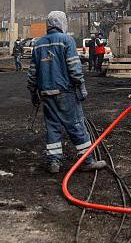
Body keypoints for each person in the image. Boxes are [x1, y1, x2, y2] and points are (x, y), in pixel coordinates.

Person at [27, 11, 107, 174]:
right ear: (62, 23)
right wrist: (81, 86)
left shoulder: (39, 44)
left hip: (46, 94)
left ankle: (54, 162)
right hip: (65, 93)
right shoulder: (66, 41)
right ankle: (87, 160)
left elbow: (32, 72)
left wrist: (33, 93)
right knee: (76, 124)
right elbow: (74, 67)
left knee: (53, 128)